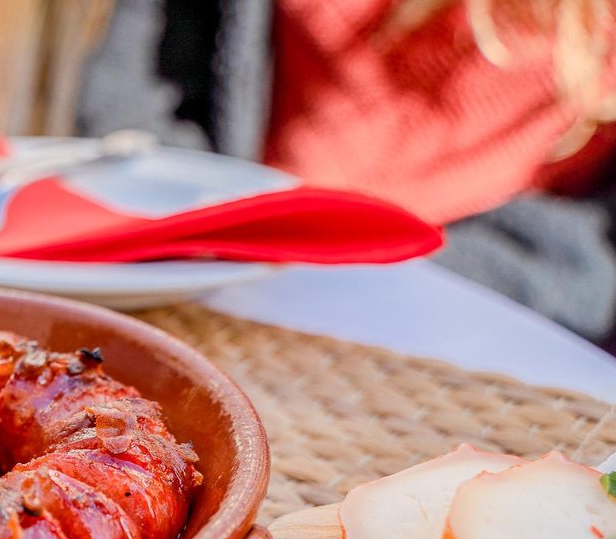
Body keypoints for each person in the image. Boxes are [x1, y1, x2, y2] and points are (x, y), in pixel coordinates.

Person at [76, 0, 616, 353]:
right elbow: (136, 99)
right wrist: (208, 228)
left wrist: (372, 281)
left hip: (473, 331)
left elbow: (589, 258)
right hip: (217, 292)